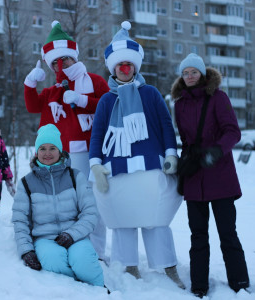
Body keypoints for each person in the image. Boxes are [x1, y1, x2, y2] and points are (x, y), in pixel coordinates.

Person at [89, 21, 184, 288]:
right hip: (117, 170)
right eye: (120, 65)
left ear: (135, 67)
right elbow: (97, 135)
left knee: (156, 220)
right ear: (114, 68)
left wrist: (170, 154)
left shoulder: (151, 93)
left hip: (151, 167)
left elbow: (166, 126)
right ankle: (128, 266)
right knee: (122, 221)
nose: (124, 69)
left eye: (128, 65)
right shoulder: (107, 100)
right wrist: (95, 164)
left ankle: (168, 266)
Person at [24, 20, 109, 261]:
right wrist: (30, 83)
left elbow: (110, 106)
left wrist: (83, 100)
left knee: (91, 203)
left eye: (66, 60)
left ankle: (96, 250)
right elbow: (32, 106)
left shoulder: (93, 81)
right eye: (55, 63)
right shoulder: (52, 91)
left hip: (89, 151)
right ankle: (70, 244)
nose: (61, 66)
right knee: (65, 204)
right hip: (61, 156)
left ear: (75, 57)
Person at [171, 53, 250, 298]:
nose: (190, 76)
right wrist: (182, 162)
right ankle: (199, 284)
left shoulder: (219, 98)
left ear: (203, 74)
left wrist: (216, 151)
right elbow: (184, 139)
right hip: (195, 178)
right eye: (185, 73)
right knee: (198, 236)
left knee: (227, 233)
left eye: (194, 71)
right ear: (182, 77)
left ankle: (239, 282)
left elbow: (232, 132)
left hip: (220, 175)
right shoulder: (180, 104)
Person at [12, 124, 104, 287]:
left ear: (60, 151)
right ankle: (74, 292)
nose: (47, 153)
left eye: (52, 148)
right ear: (36, 152)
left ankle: (100, 292)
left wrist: (72, 234)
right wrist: (26, 250)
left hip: (76, 236)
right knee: (54, 262)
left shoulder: (76, 177)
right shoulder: (26, 183)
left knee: (83, 261)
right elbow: (20, 220)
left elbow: (90, 212)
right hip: (44, 238)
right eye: (43, 148)